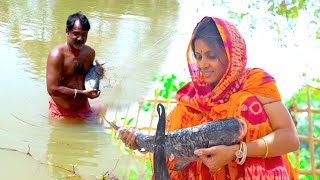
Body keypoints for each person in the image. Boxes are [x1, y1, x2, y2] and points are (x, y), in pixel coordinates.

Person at [119, 16, 300, 179]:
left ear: (230, 54)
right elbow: (174, 142)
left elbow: (290, 138)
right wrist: (140, 141)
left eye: (211, 56)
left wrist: (236, 152)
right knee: (182, 112)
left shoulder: (255, 82)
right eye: (198, 57)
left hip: (256, 173)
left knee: (244, 103)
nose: (202, 65)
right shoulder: (191, 96)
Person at [46, 12, 105, 121]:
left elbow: (86, 77)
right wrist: (82, 93)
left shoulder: (90, 53)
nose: (80, 38)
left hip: (83, 107)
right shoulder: (57, 55)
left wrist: (99, 73)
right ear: (67, 32)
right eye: (76, 34)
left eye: (84, 34)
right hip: (61, 111)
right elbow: (52, 89)